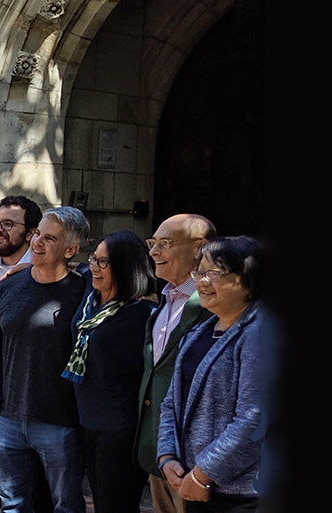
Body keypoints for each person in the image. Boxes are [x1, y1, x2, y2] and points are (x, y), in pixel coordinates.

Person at [0, 206, 90, 513]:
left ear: (71, 249)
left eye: (49, 238)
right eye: (37, 233)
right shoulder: (10, 286)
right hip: (9, 417)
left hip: (61, 421)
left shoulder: (84, 291)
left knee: (65, 504)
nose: (37, 242)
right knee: (11, 504)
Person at [157, 236, 265, 513]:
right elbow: (171, 402)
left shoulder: (261, 333)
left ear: (246, 279)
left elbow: (254, 419)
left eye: (213, 273)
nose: (202, 282)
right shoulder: (200, 332)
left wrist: (203, 474)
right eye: (200, 272)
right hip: (195, 484)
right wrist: (167, 456)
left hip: (245, 495)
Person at [63, 231, 156, 513]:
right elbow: (73, 265)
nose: (94, 266)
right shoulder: (92, 298)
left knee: (115, 506)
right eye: (94, 258)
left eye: (104, 262)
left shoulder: (143, 313)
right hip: (87, 423)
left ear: (126, 267)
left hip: (119, 431)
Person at [0, 195, 53, 513]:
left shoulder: (53, 275)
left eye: (8, 224)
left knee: (42, 486)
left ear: (32, 233)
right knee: (2, 483)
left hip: (40, 395)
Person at [137, 214, 216, 513]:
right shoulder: (164, 300)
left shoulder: (215, 306)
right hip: (159, 452)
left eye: (165, 244)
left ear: (200, 248)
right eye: (153, 243)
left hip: (198, 462)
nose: (154, 252)